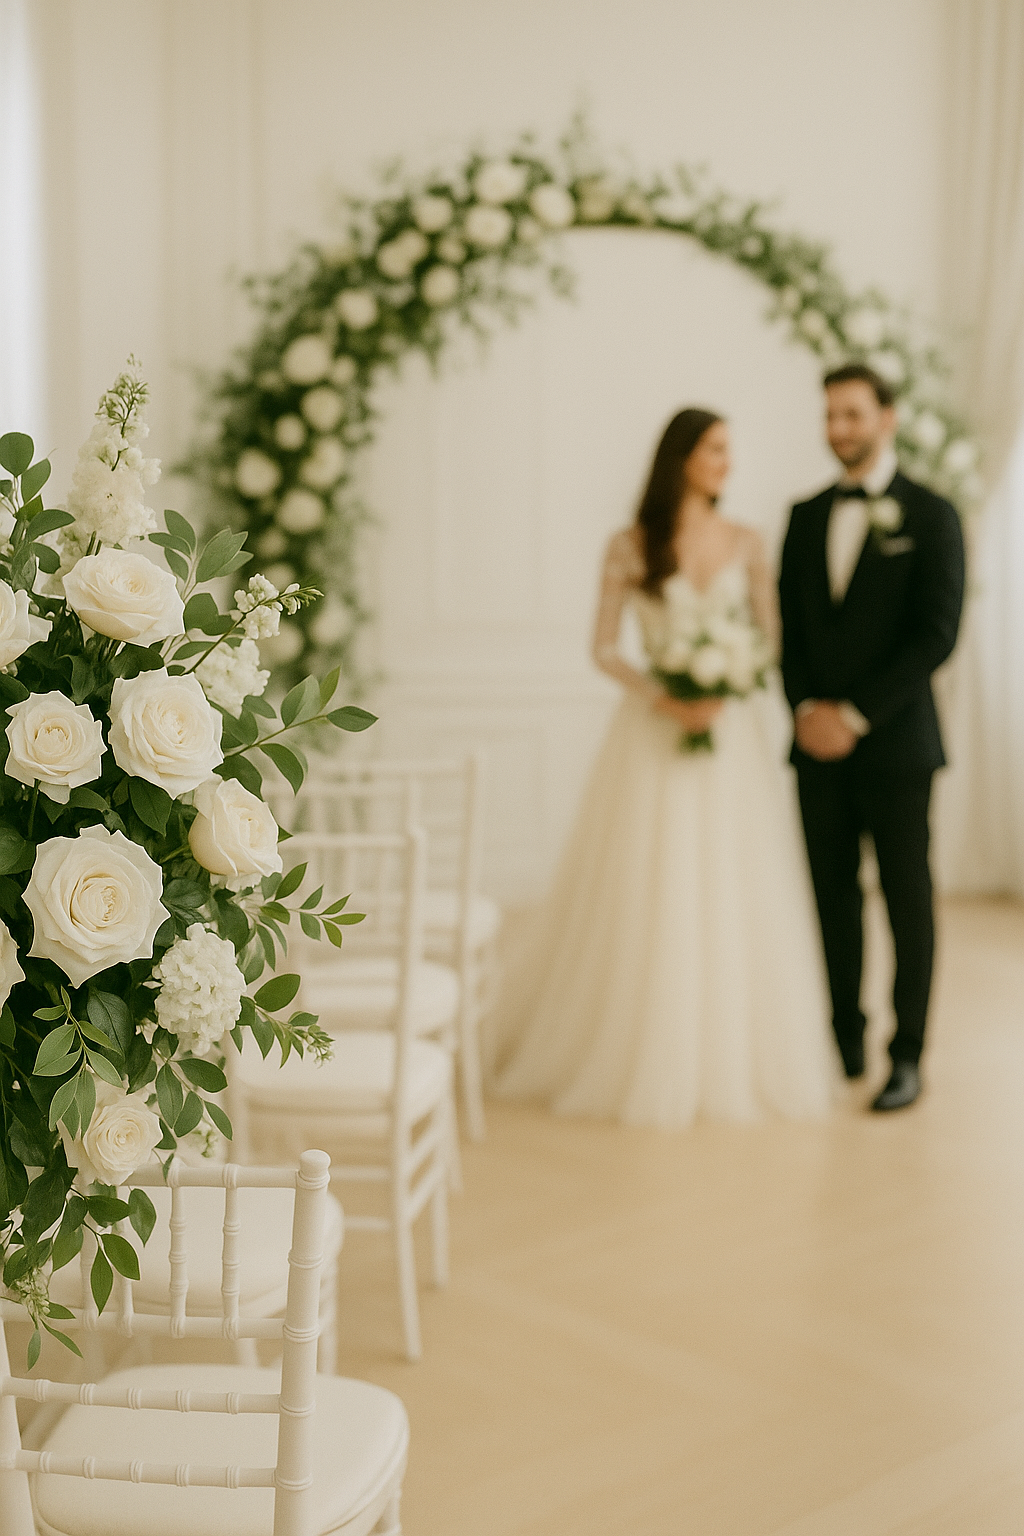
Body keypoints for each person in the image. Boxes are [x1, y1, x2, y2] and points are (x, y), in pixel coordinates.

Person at [492, 408, 836, 1128]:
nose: (727, 464)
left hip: (729, 737)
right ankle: (635, 1041)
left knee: (730, 883)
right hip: (654, 731)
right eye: (715, 450)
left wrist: (732, 680)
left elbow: (770, 639)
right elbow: (604, 647)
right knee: (650, 879)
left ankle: (726, 1051)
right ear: (682, 458)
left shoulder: (748, 541)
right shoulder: (629, 544)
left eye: (728, 451)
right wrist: (666, 696)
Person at [779, 364, 965, 1112]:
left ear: (887, 418)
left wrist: (853, 715)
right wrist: (803, 710)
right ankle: (844, 1039)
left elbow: (936, 636)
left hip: (895, 747)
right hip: (813, 748)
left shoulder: (932, 514)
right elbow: (787, 630)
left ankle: (908, 1053)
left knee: (906, 897)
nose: (839, 430)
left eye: (852, 415)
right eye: (830, 416)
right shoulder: (802, 514)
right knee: (830, 898)